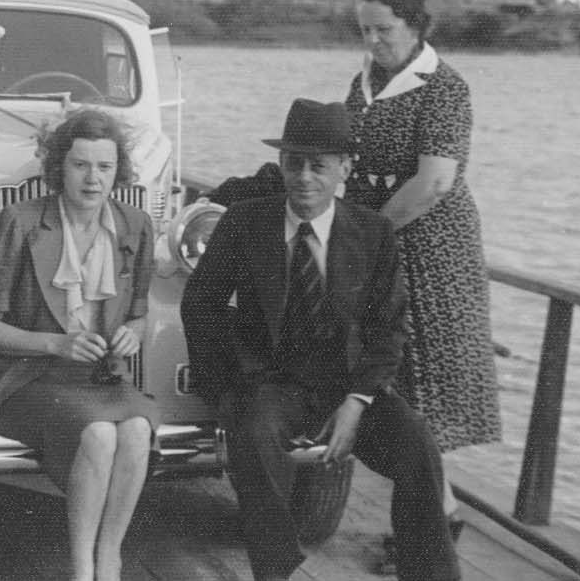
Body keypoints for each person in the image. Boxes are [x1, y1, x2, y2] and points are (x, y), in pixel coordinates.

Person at [180, 98, 459, 581]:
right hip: (273, 385)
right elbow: (199, 308)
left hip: (345, 387)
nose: (304, 177)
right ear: (281, 164)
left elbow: (388, 331)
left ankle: (431, 574)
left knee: (416, 443)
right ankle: (276, 571)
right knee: (254, 435)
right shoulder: (245, 222)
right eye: (294, 163)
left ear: (345, 168)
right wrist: (225, 390)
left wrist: (357, 400)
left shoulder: (373, 233)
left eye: (319, 166)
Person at [345, 0, 501, 558]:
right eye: (365, 30)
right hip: (377, 243)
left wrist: (367, 237)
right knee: (394, 383)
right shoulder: (362, 82)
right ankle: (439, 518)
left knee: (426, 388)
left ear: (416, 26)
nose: (374, 40)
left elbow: (434, 182)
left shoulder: (444, 87)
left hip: (432, 251)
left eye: (384, 29)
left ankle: (430, 532)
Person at [0, 109, 157, 581]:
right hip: (26, 378)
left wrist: (133, 333)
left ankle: (109, 557)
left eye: (104, 166)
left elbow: (139, 311)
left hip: (100, 380)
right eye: (80, 165)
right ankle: (80, 570)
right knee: (99, 433)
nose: (93, 179)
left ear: (119, 170)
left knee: (136, 431)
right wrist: (56, 344)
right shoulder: (20, 221)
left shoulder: (135, 224)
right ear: (59, 168)